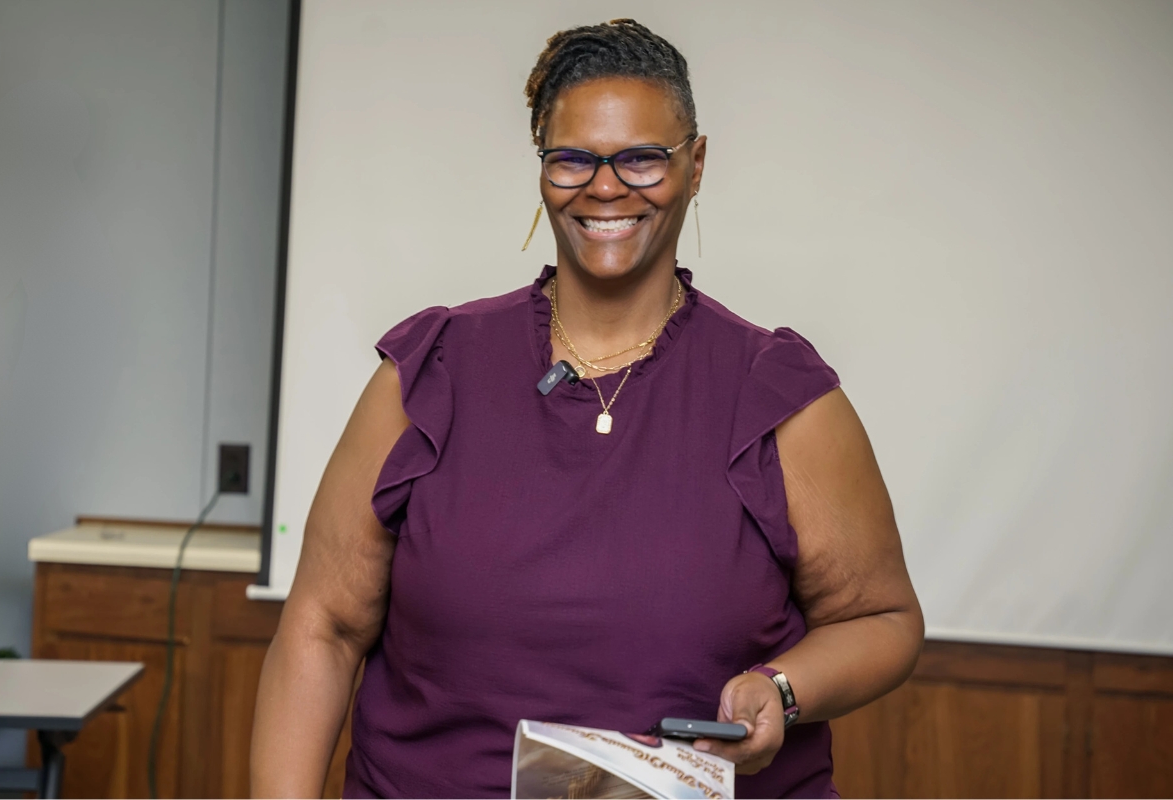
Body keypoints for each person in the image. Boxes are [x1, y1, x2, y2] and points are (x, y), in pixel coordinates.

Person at [251, 19, 923, 799]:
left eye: (642, 158)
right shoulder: (427, 373)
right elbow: (324, 628)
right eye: (573, 158)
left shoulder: (779, 396)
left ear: (696, 165)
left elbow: (882, 620)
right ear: (542, 167)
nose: (606, 187)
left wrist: (781, 688)